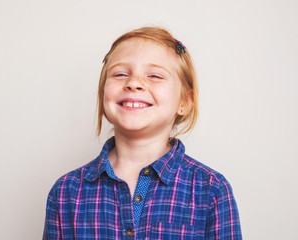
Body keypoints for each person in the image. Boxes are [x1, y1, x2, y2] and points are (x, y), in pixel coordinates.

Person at [43, 26, 242, 239]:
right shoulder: (65, 192)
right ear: (103, 94)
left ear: (184, 101)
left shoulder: (211, 190)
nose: (134, 83)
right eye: (120, 74)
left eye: (155, 76)